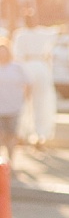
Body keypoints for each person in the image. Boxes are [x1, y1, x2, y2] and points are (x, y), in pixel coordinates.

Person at [11, 22, 54, 149]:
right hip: (37, 67)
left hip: (29, 67)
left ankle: (36, 134)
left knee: (34, 102)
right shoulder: (26, 33)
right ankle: (27, 133)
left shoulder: (22, 34)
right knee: (30, 102)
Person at [0, 40, 28, 168]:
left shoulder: (17, 67)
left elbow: (27, 84)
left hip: (13, 107)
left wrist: (24, 100)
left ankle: (10, 162)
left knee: (11, 136)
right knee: (1, 135)